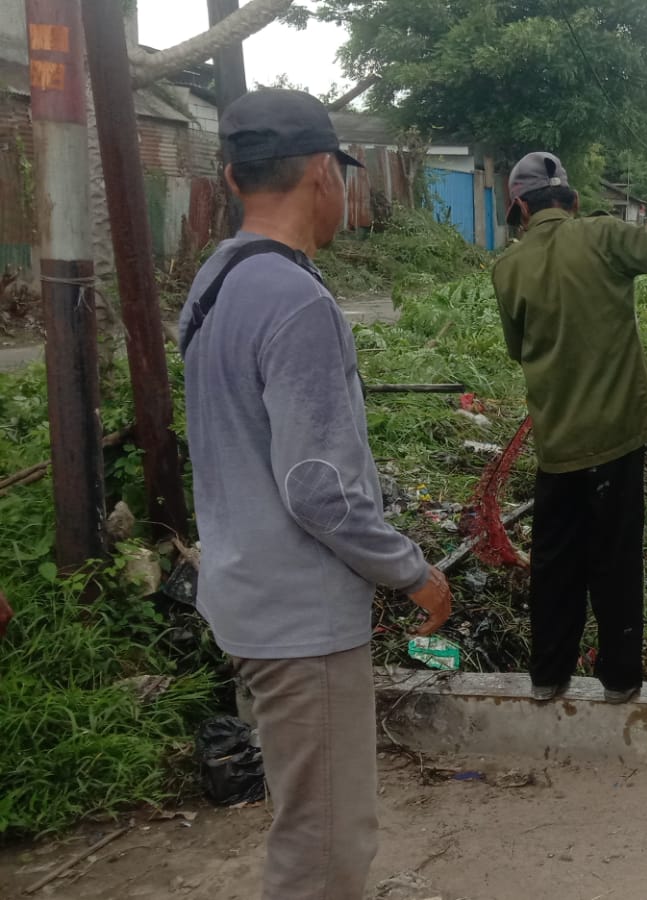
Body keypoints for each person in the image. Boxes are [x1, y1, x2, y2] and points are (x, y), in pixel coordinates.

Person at [177, 89, 453, 899]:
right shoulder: (298, 300)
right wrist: (412, 572)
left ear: (231, 174)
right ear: (326, 176)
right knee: (327, 842)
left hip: (245, 595)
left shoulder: (216, 280)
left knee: (305, 815)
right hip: (302, 618)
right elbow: (318, 490)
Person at [494, 151, 647, 705]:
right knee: (615, 561)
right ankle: (618, 683)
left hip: (557, 440)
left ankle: (548, 678)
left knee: (554, 562)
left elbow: (520, 349)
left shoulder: (509, 268)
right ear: (569, 200)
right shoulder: (605, 237)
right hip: (615, 436)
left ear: (519, 207)